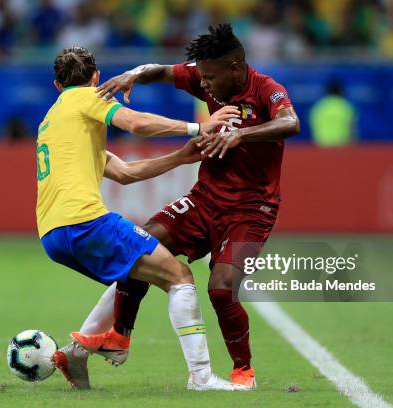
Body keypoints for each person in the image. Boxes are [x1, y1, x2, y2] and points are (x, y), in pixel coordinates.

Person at [71, 24, 300, 390]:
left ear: (235, 67)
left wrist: (242, 133)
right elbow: (159, 70)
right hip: (206, 197)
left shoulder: (266, 90)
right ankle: (119, 335)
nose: (204, 84)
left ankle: (244, 370)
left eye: (210, 77)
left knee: (221, 289)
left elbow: (291, 122)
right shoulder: (205, 75)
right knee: (139, 246)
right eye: (201, 76)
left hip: (252, 209)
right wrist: (133, 74)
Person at [37, 46, 244, 391]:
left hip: (52, 236)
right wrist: (197, 127)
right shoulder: (88, 98)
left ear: (56, 85)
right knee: (179, 276)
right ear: (97, 79)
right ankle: (201, 377)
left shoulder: (53, 122)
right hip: (85, 222)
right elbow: (135, 122)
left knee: (135, 273)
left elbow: (124, 173)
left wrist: (181, 157)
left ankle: (84, 350)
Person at [309, 81, 356, 147]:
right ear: (341, 92)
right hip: (342, 147)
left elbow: (313, 126)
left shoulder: (318, 107)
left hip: (322, 147)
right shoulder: (346, 106)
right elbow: (352, 128)